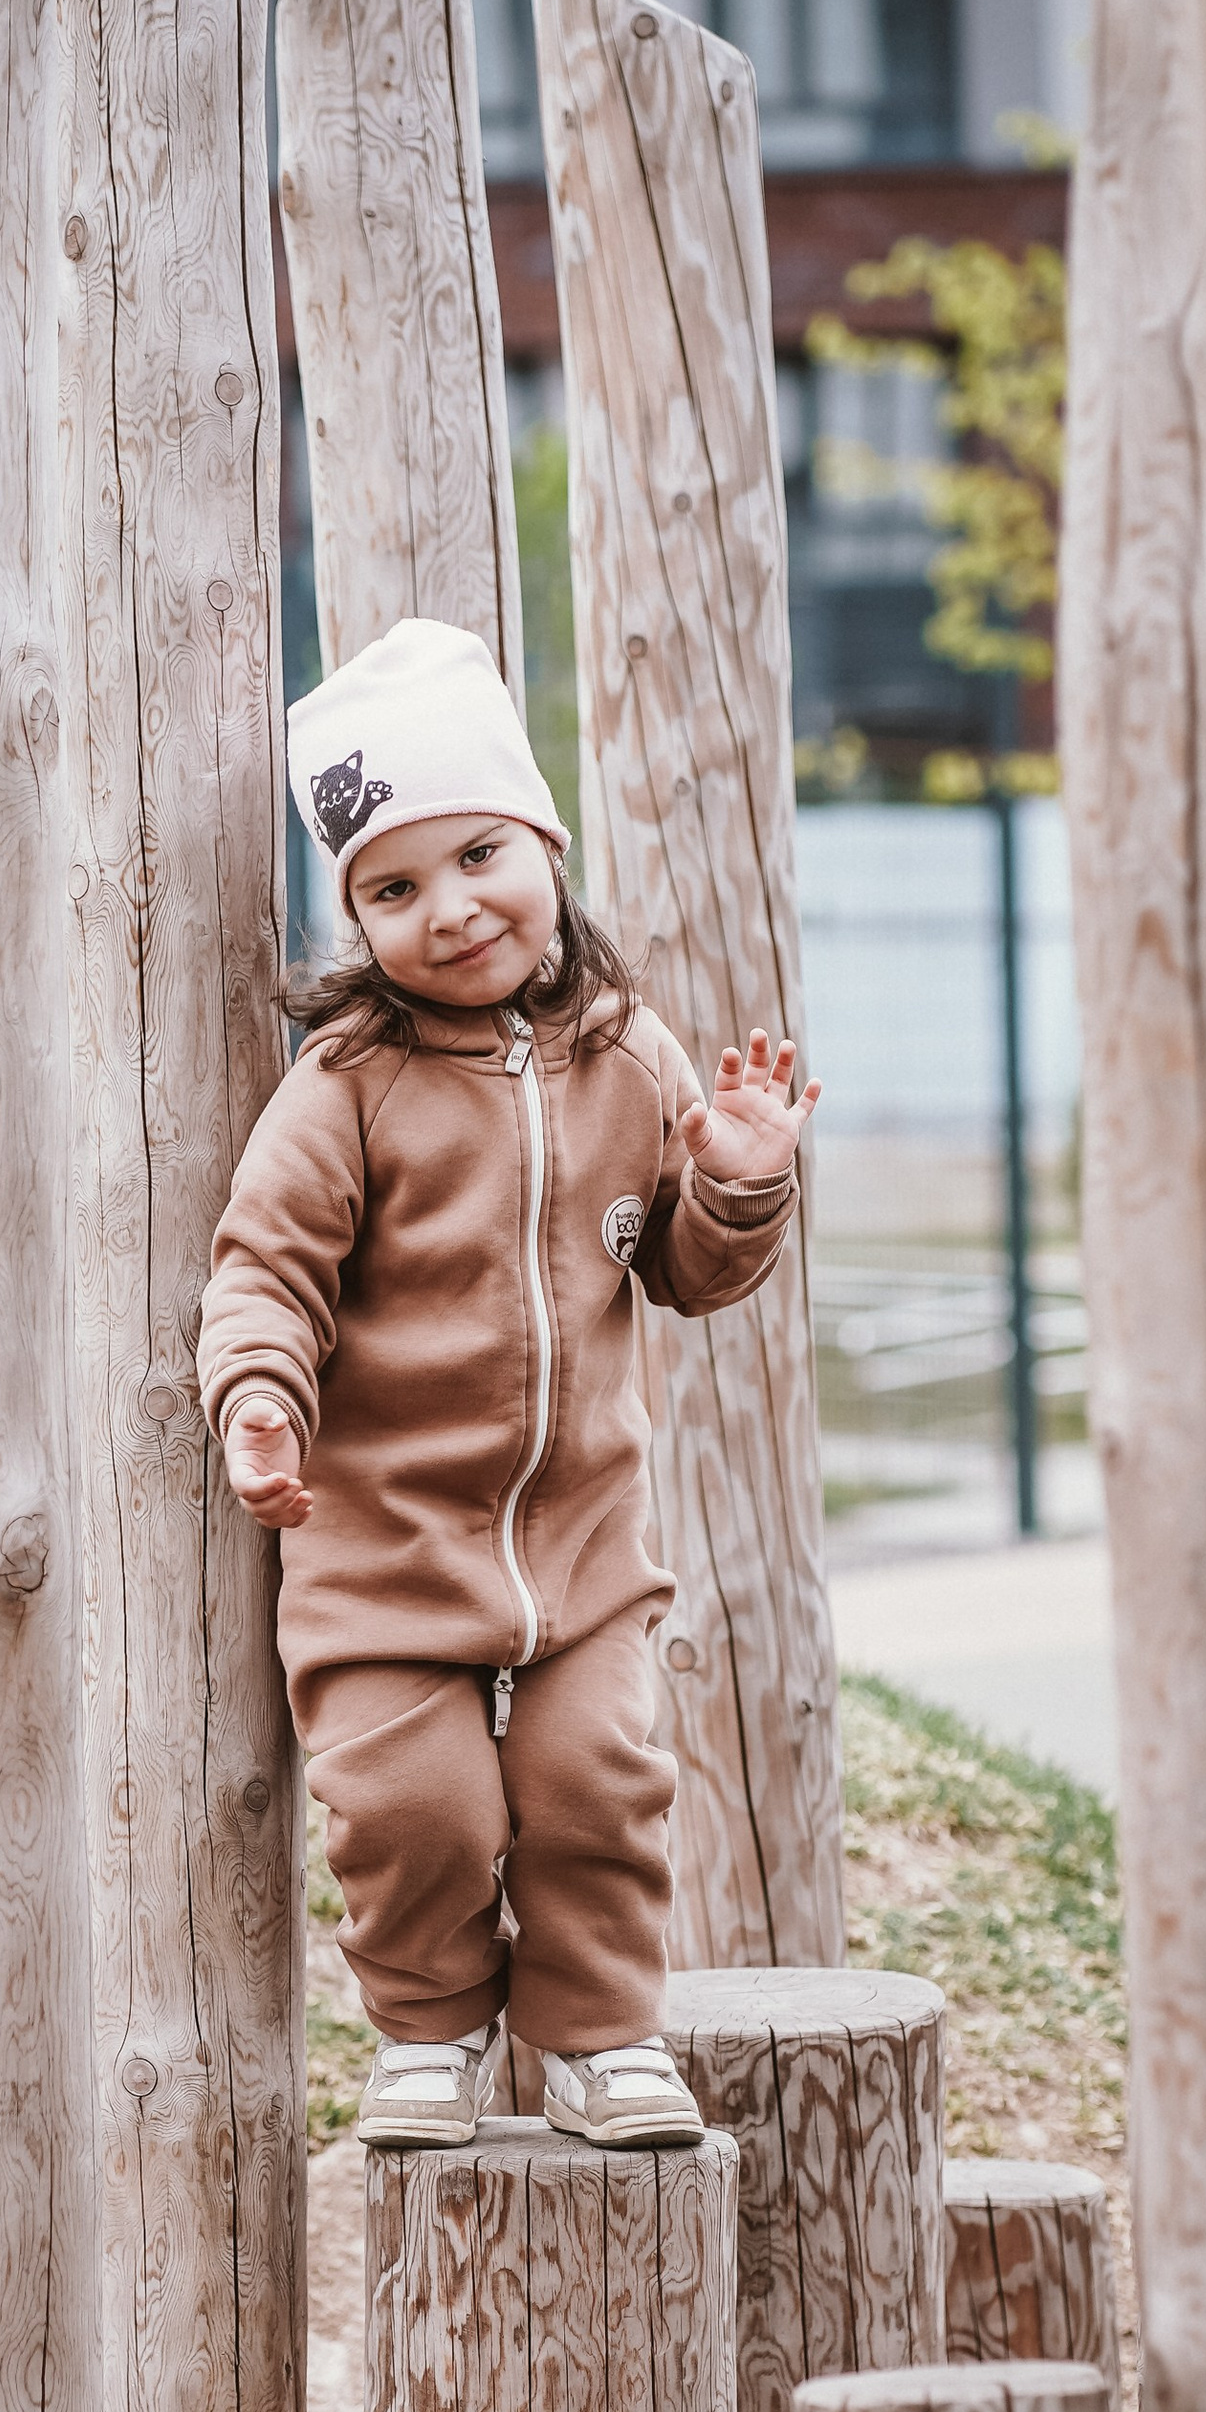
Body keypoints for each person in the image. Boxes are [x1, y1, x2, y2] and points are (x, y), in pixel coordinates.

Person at [198, 617, 818, 2148]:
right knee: (412, 1805)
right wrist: (260, 1398)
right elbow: (264, 1267)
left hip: (581, 1552)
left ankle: (598, 2037)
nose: (453, 909)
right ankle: (434, 2032)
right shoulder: (347, 1087)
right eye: (395, 889)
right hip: (384, 1555)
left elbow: (684, 1272)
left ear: (546, 843)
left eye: (480, 855)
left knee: (596, 1782)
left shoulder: (631, 1054)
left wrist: (738, 1186)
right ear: (357, 919)